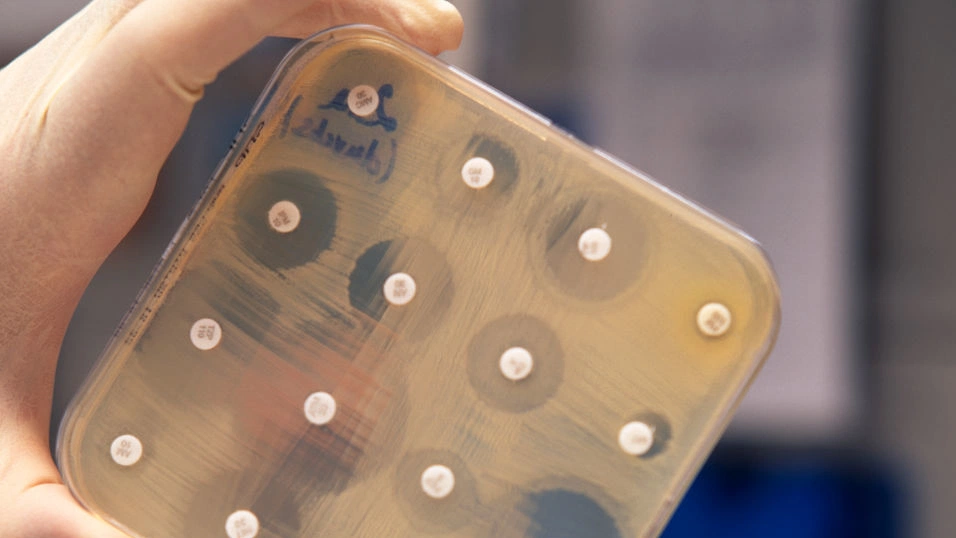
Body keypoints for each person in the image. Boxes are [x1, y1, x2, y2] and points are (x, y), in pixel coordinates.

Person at [0, 1, 463, 535]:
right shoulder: (332, 227)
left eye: (325, 428)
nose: (339, 387)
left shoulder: (136, 390)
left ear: (263, 442)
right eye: (359, 397)